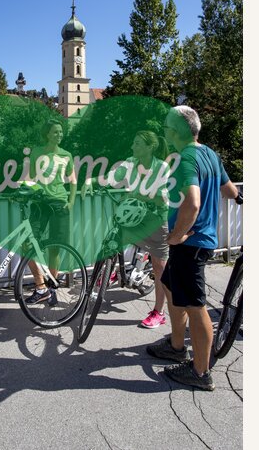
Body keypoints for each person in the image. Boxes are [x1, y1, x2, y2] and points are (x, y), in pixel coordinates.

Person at [146, 106, 240, 392]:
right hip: (197, 241)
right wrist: (241, 198)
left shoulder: (186, 157)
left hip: (191, 243)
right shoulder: (208, 153)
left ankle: (200, 372)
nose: (164, 131)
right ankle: (176, 345)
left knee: (196, 306)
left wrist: (175, 236)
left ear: (178, 131)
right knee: (171, 285)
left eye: (166, 127)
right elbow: (228, 188)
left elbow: (193, 202)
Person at [108, 130, 172, 328]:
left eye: (137, 143)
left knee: (160, 266)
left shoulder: (161, 167)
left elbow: (161, 197)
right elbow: (111, 177)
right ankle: (113, 271)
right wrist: (91, 182)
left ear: (149, 147)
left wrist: (135, 195)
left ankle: (159, 312)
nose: (132, 147)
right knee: (111, 237)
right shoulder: (130, 163)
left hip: (155, 219)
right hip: (135, 215)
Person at [23, 119, 76, 304]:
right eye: (55, 132)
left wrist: (70, 202)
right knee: (27, 246)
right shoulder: (37, 152)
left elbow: (73, 181)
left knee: (55, 249)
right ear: (47, 134)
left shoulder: (66, 155)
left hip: (60, 204)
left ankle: (52, 289)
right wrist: (25, 190)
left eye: (61, 132)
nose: (59, 135)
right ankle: (40, 287)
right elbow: (29, 177)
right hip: (40, 203)